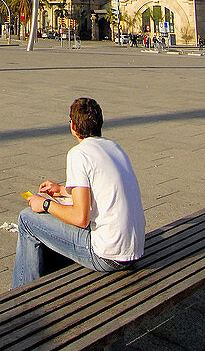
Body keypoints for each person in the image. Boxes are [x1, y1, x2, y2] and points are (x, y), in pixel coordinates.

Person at [11, 97, 145, 289]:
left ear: (73, 126)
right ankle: (48, 281)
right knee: (57, 218)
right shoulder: (115, 147)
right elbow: (100, 192)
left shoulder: (79, 153)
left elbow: (81, 217)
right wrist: (63, 191)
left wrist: (46, 204)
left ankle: (20, 296)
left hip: (107, 255)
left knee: (27, 219)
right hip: (135, 250)